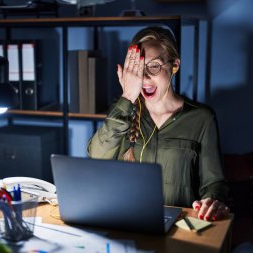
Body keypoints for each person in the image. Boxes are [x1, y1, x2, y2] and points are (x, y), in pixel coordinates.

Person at [87, 26, 230, 221]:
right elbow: (97, 156)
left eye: (153, 66)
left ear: (174, 65)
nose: (144, 77)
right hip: (127, 222)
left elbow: (214, 183)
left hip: (180, 229)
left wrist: (212, 201)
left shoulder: (202, 118)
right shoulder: (123, 111)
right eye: (137, 69)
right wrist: (128, 96)